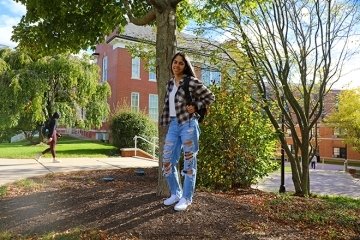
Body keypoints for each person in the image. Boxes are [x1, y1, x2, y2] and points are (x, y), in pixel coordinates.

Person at [160, 52, 215, 211]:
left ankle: (186, 197)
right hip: (173, 124)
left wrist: (196, 106)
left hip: (188, 124)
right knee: (167, 161)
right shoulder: (170, 83)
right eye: (175, 62)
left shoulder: (190, 82)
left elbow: (211, 97)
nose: (176, 65)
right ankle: (176, 193)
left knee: (189, 162)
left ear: (185, 66)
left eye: (181, 63)